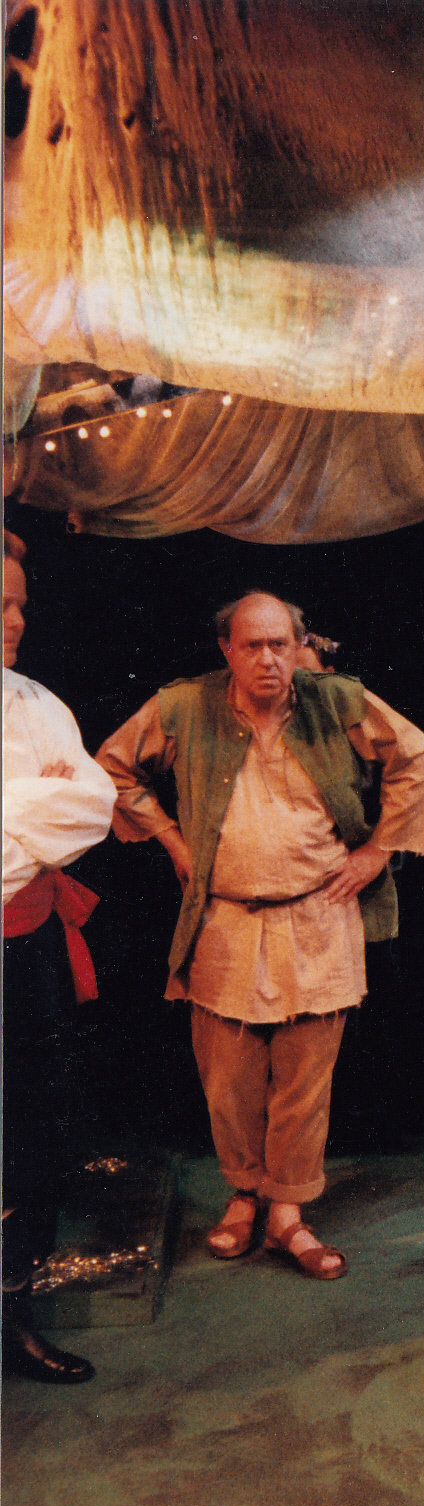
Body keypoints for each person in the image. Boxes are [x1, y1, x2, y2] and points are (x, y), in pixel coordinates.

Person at [97, 592, 424, 1275]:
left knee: (304, 1080)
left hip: (317, 916)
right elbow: (112, 765)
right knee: (229, 1079)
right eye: (252, 645)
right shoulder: (186, 706)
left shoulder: (336, 701)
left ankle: (286, 1213)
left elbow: (422, 760)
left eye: (280, 644)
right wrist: (170, 838)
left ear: (298, 646)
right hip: (225, 920)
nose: (268, 659)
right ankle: (243, 1195)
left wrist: (377, 851)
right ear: (226, 650)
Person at [3, 528, 116, 1382]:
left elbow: (92, 809)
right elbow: (52, 812)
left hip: (27, 944)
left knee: (34, 1128)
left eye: (19, 606)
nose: (13, 622)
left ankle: (12, 1314)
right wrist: (31, 807)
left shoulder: (39, 703)